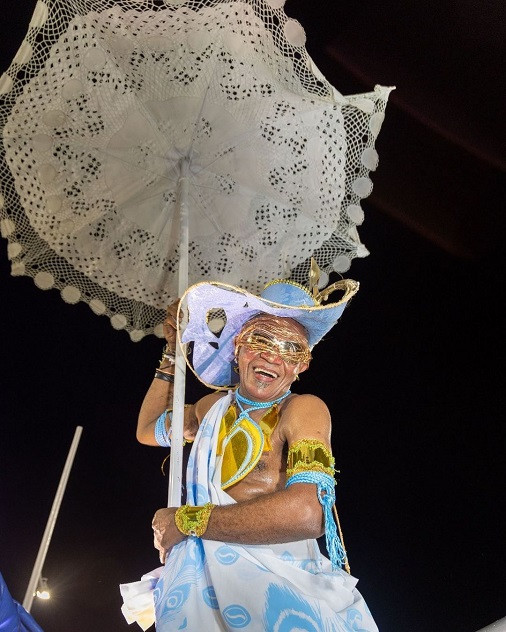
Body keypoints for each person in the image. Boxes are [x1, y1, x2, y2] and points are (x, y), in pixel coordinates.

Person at [120, 267, 379, 631]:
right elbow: (147, 430)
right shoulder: (210, 409)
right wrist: (172, 353)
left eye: (290, 349)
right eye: (261, 339)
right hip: (202, 582)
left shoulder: (302, 409)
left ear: (301, 365)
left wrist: (186, 521)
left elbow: (308, 513)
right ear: (238, 347)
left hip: (276, 593)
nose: (273, 356)